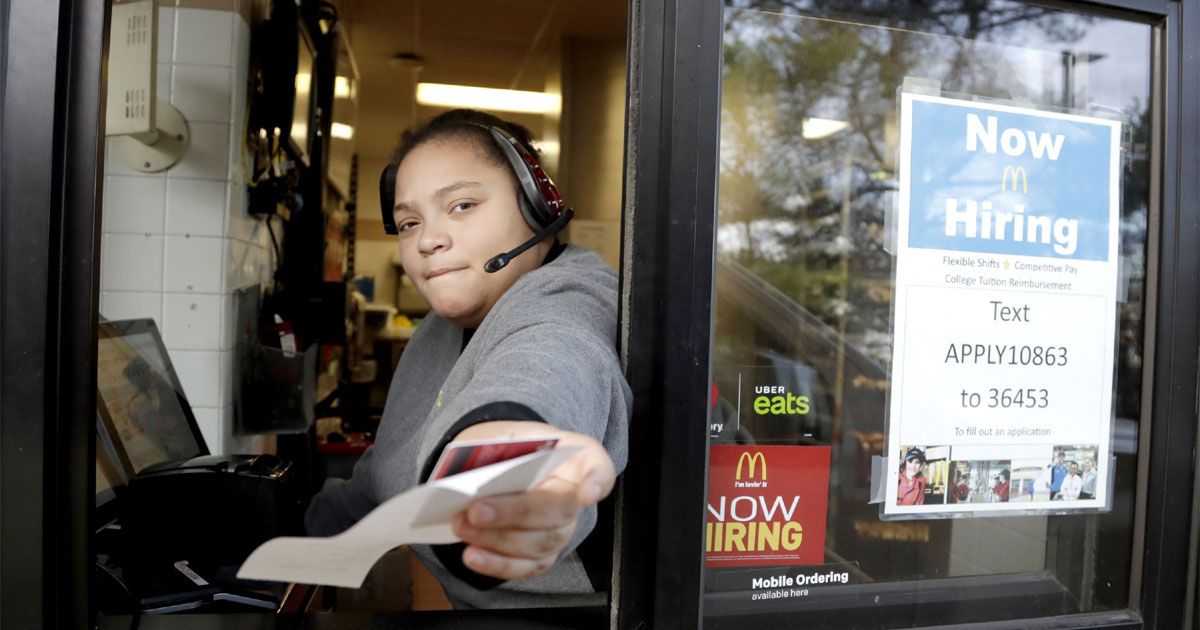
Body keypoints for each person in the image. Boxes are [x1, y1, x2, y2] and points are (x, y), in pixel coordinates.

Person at [304, 109, 632, 609]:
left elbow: (545, 371)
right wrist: (290, 531)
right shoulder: (439, 331)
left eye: (461, 205)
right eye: (409, 222)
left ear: (538, 206)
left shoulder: (567, 306)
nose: (428, 240)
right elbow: (382, 479)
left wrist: (506, 472)